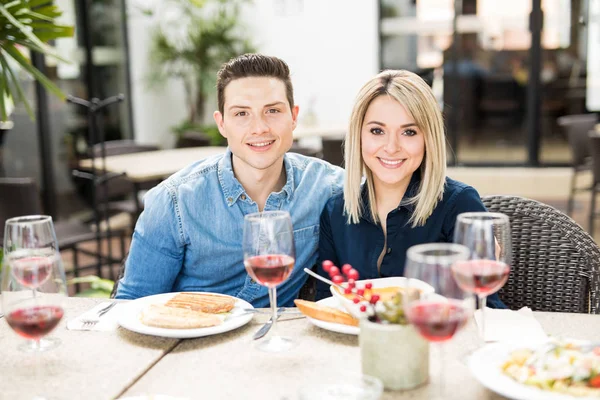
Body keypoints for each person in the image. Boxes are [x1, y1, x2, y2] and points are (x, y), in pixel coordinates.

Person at [115, 54, 344, 307]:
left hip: (280, 338)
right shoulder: (174, 202)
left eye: (273, 110)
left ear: (293, 116)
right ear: (221, 123)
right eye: (242, 113)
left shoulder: (328, 187)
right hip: (193, 340)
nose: (259, 128)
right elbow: (131, 306)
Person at [316, 69, 505, 308]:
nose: (392, 147)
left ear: (428, 138)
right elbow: (325, 304)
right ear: (359, 136)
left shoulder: (459, 205)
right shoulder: (335, 210)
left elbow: (487, 309)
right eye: (377, 131)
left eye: (409, 132)